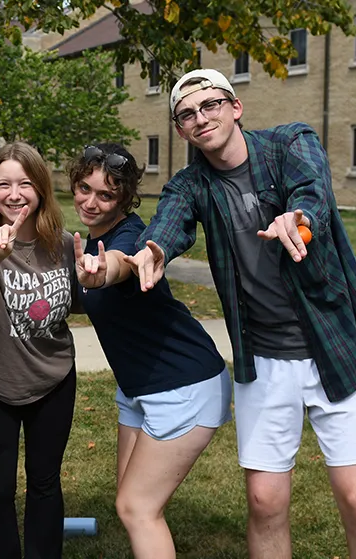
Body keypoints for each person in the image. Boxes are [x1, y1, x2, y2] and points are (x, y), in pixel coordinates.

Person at [127, 69, 356, 558]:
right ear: (181, 130)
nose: (200, 117)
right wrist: (155, 251)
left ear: (235, 107)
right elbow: (169, 222)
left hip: (335, 344)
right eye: (187, 114)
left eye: (210, 104)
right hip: (265, 359)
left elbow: (312, 189)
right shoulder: (191, 185)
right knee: (265, 501)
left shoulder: (291, 142)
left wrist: (300, 218)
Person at [68, 143, 231, 558]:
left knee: (136, 506)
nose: (90, 201)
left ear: (123, 198)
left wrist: (104, 273)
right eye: (84, 188)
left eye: (105, 195)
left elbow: (121, 265)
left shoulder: (132, 240)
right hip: (140, 386)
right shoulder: (92, 240)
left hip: (183, 385)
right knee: (131, 500)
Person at [0, 142, 81, 558]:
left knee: (45, 483)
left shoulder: (61, 244)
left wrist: (99, 275)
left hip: (55, 378)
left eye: (25, 184)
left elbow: (81, 297)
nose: (14, 194)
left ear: (41, 189)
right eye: (3, 184)